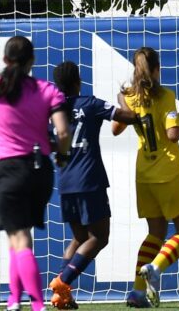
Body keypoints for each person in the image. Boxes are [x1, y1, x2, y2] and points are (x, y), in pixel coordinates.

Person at [0, 36, 71, 311]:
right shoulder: (46, 90)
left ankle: (36, 303)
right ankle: (13, 298)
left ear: (5, 60)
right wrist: (62, 154)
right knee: (21, 235)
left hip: (10, 171)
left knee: (18, 236)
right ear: (31, 62)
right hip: (40, 169)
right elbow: (64, 132)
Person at [46, 61, 140, 310]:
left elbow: (50, 143)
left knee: (78, 238)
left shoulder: (54, 111)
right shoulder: (90, 103)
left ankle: (63, 296)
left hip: (66, 183)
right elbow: (129, 117)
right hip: (90, 181)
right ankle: (62, 281)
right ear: (79, 81)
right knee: (99, 237)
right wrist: (123, 98)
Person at [110, 47, 179, 308]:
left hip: (144, 175)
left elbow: (116, 129)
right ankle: (157, 268)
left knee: (155, 233)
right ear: (157, 70)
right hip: (167, 172)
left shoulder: (129, 97)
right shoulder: (166, 96)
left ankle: (138, 292)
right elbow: (173, 135)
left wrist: (124, 102)